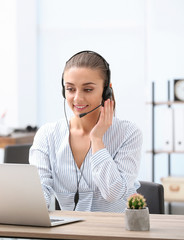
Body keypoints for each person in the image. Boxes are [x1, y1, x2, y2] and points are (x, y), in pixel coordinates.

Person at [29, 50, 142, 212]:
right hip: (71, 233)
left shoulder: (128, 133)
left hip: (116, 233)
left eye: (87, 89)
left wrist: (97, 139)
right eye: (70, 89)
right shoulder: (48, 135)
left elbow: (113, 193)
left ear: (106, 91)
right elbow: (39, 191)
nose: (77, 98)